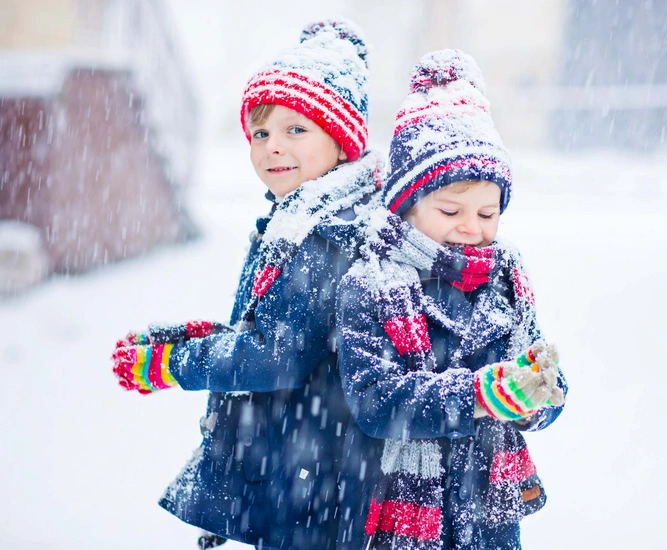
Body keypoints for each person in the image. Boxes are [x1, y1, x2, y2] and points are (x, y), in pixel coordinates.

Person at [111, 19, 383, 550]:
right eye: (261, 133)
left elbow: (277, 357)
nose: (271, 148)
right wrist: (201, 337)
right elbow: (277, 328)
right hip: (305, 461)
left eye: (296, 130)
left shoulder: (326, 232)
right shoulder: (300, 215)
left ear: (342, 138)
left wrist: (170, 365)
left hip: (316, 472)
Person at [334, 49, 567, 550]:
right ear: (406, 203)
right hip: (404, 510)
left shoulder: (505, 279)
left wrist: (537, 393)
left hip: (489, 510)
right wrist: (479, 397)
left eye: (488, 213)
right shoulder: (373, 283)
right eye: (450, 209)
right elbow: (375, 402)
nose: (471, 226)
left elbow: (544, 378)